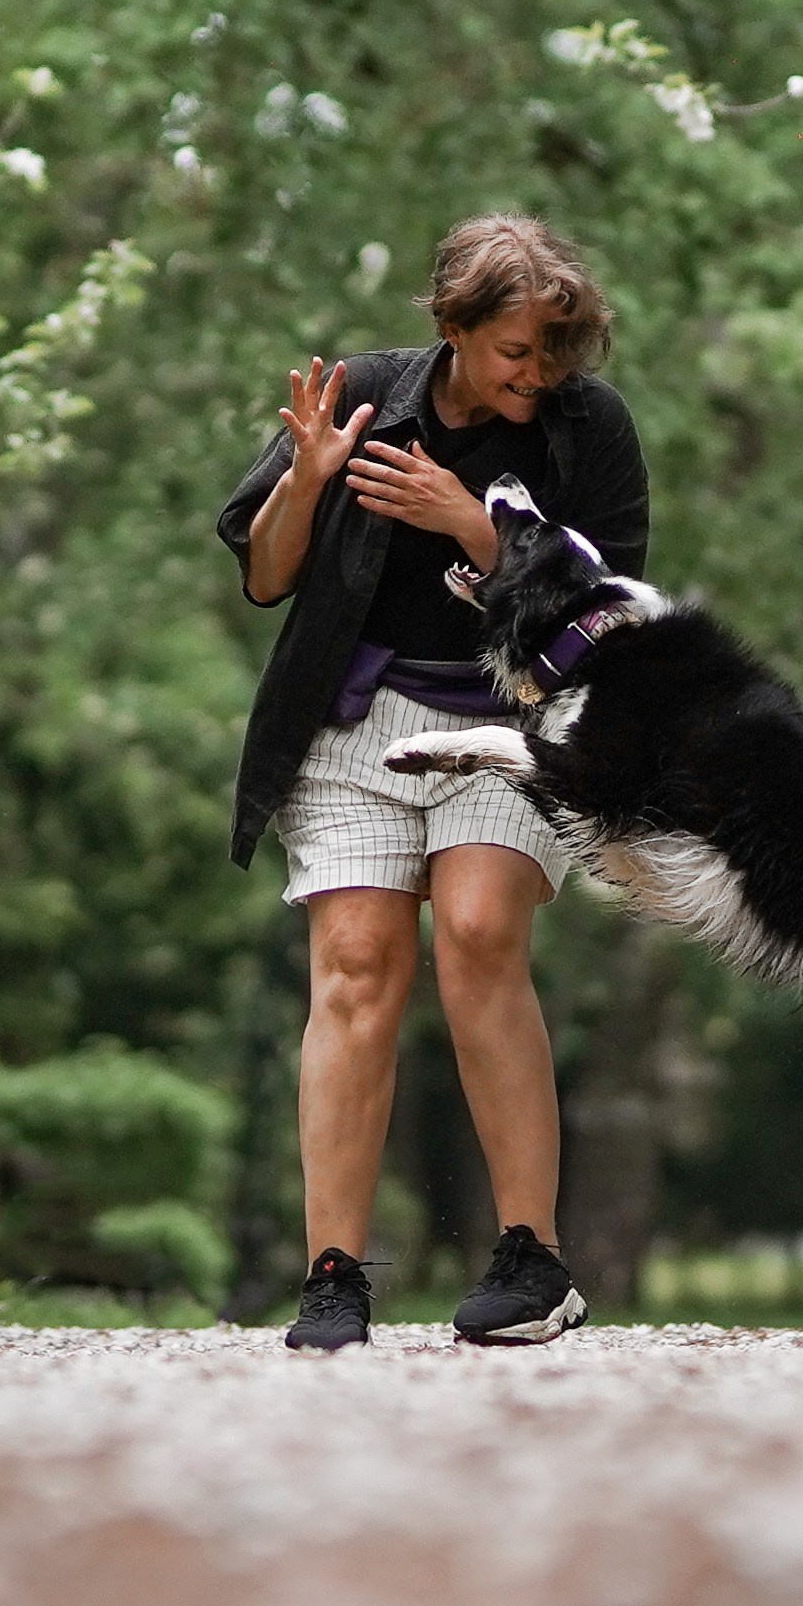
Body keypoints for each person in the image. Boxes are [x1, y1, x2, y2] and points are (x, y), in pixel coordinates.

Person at [217, 211, 649, 1352]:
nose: (537, 373)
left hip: (509, 723)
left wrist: (479, 528)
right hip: (357, 726)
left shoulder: (589, 428)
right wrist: (305, 483)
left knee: (475, 928)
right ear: (454, 329)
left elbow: (608, 613)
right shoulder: (361, 393)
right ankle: (333, 1275)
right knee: (356, 965)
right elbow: (265, 577)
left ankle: (531, 1258)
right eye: (516, 351)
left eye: (555, 352)